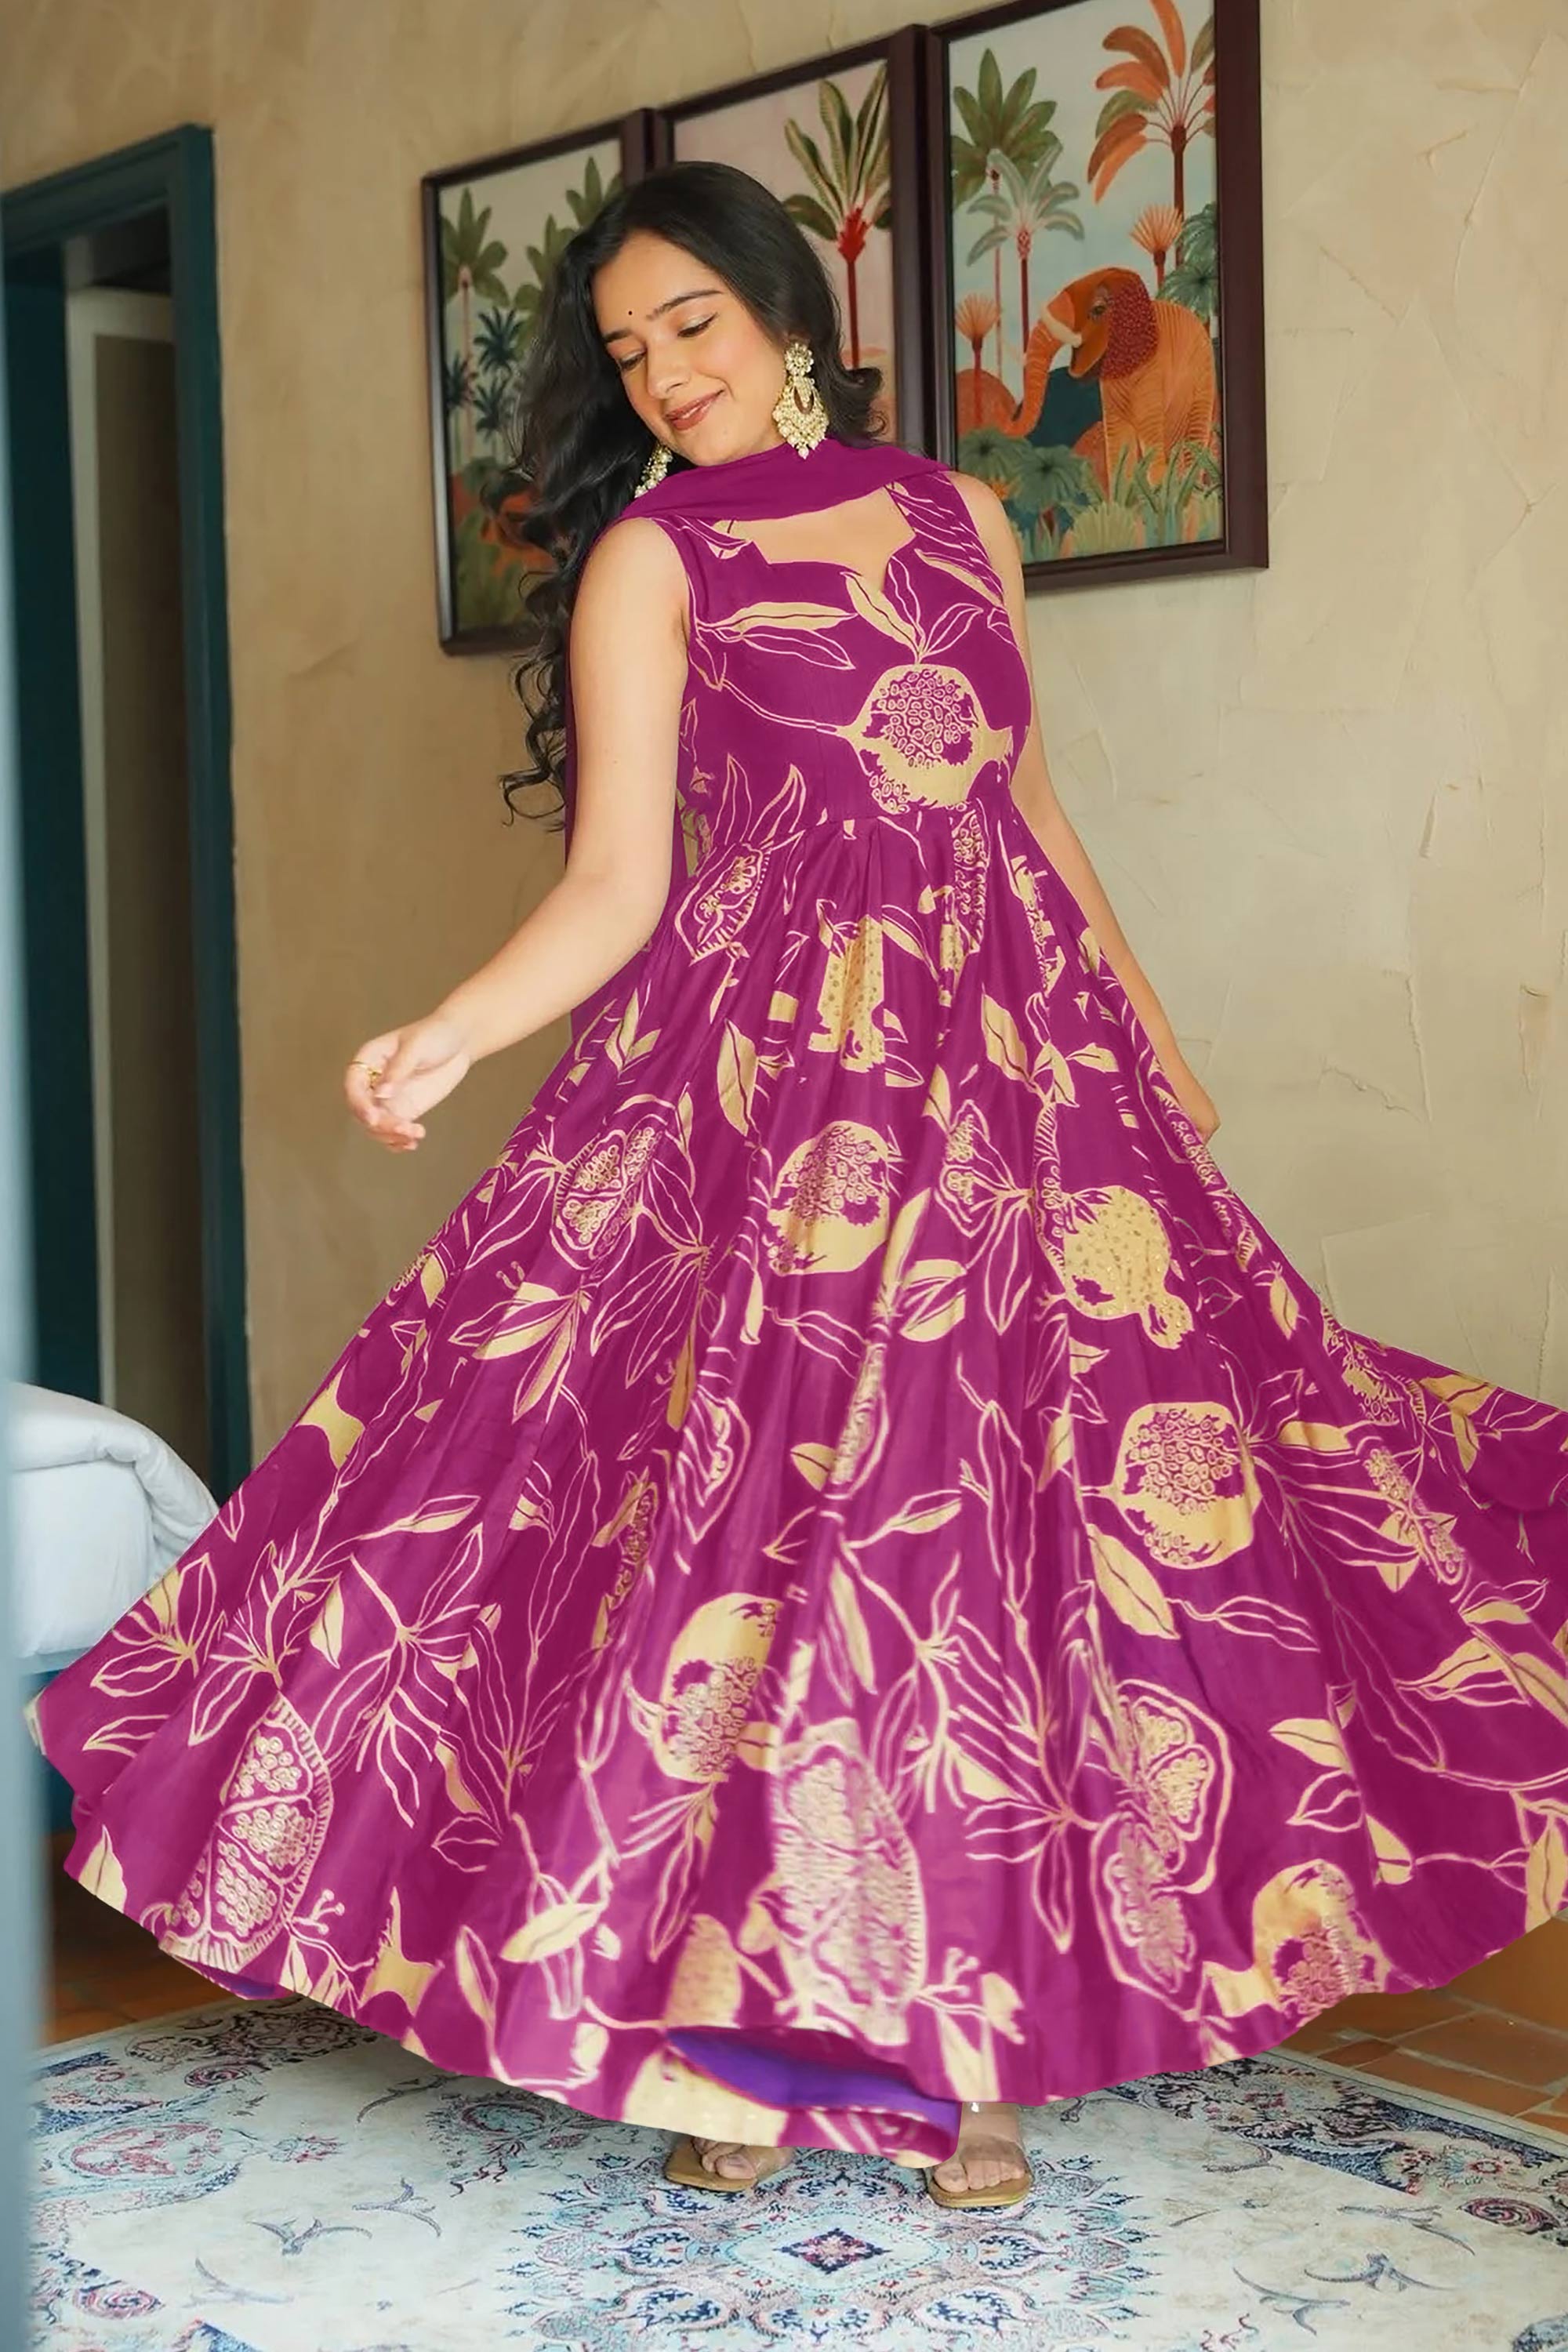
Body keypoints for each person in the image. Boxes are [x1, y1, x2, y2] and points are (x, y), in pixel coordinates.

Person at [24, 160, 1568, 2217]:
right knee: (749, 1550)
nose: (666, 374)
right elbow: (619, 884)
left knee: (1012, 1537)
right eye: (627, 352)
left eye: (694, 325)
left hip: (1017, 1088)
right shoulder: (651, 559)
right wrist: (456, 1031)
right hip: (772, 1112)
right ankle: (739, 2049)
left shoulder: (961, 518)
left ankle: (968, 2040)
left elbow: (1028, 813)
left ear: (786, 310)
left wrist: (1150, 1038)